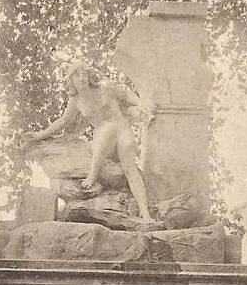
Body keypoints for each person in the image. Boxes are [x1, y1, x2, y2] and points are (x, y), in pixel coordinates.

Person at [24, 63, 155, 221]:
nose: (82, 78)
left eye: (83, 74)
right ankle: (93, 173)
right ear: (71, 81)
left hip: (121, 130)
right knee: (106, 130)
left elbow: (127, 94)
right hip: (103, 141)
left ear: (88, 76)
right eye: (77, 75)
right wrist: (40, 135)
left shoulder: (105, 87)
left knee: (130, 168)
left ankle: (145, 214)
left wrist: (141, 104)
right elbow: (63, 121)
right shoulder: (76, 101)